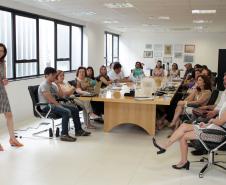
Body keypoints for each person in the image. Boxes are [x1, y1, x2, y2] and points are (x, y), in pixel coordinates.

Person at [152, 101, 226, 170]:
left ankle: (182, 160)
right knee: (184, 126)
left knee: (184, 136)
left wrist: (212, 121)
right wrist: (207, 124)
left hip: (219, 134)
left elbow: (220, 122)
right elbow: (220, 120)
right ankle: (166, 146)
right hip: (215, 128)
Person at [38, 67, 90, 142]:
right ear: (47, 75)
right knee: (66, 111)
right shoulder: (44, 85)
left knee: (74, 109)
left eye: (55, 75)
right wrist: (59, 106)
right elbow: (50, 99)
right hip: (46, 106)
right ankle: (64, 134)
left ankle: (78, 131)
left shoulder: (52, 85)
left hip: (54, 104)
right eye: (53, 75)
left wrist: (58, 84)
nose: (54, 77)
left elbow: (61, 96)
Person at [0, 43, 23, 151]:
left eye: (2, 51)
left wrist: (5, 80)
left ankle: (12, 139)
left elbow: (4, 78)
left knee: (9, 114)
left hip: (1, 91)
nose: (1, 53)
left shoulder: (3, 63)